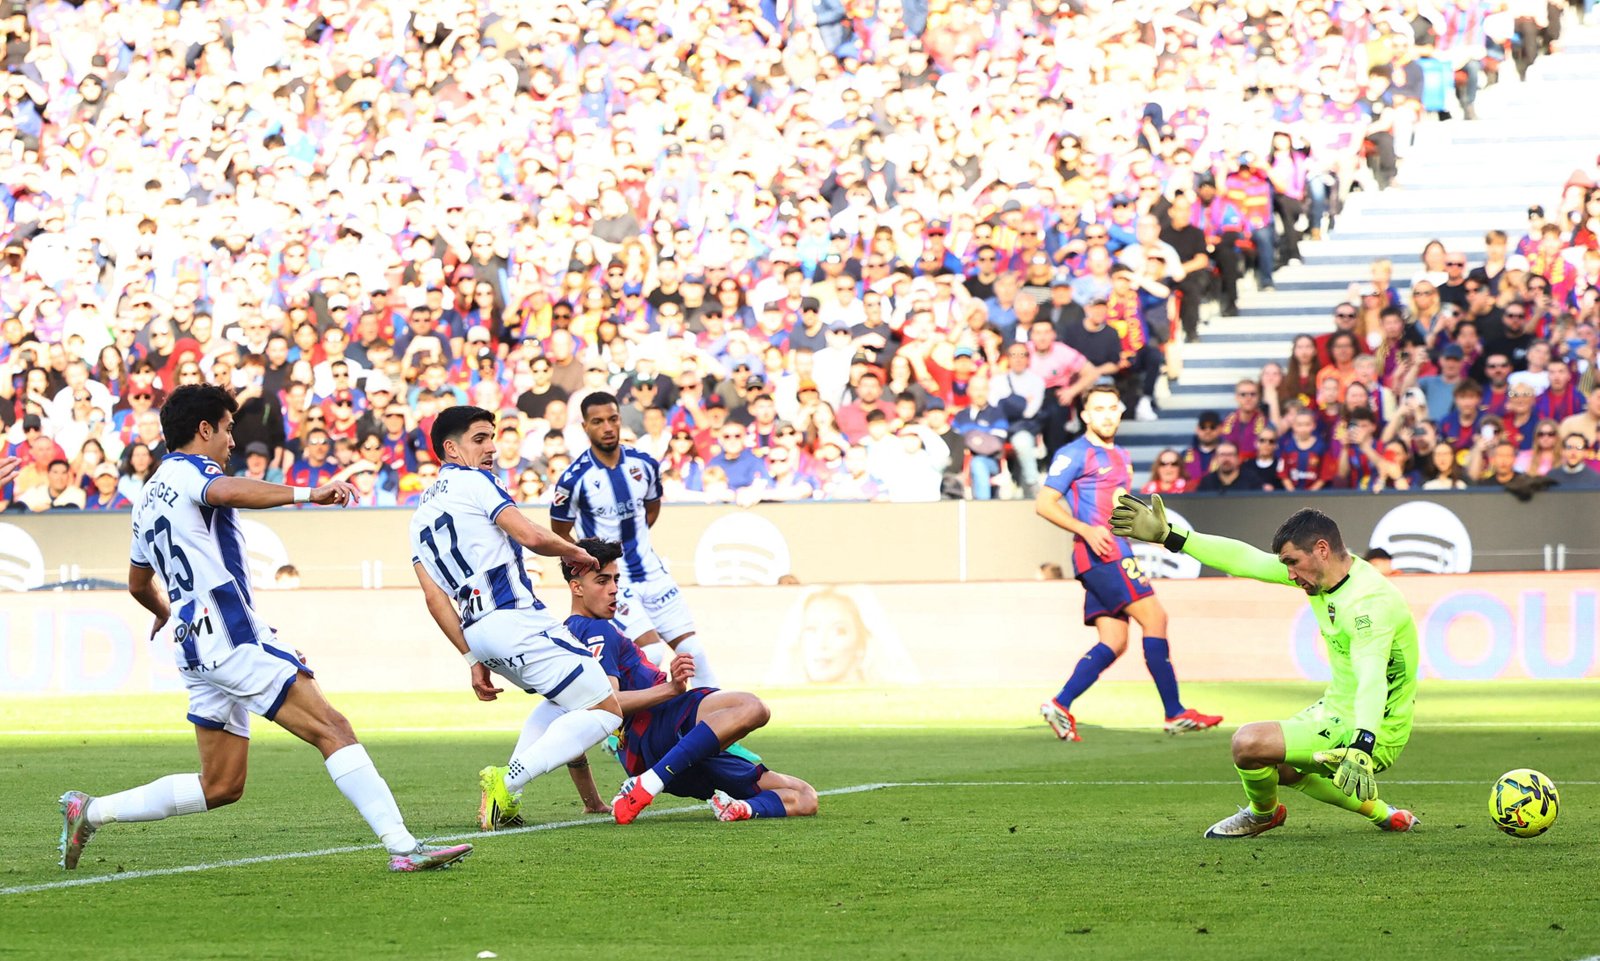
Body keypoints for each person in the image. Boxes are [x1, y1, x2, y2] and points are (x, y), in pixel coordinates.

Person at [59, 385, 471, 873]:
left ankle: (90, 811)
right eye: (228, 429)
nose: (232, 442)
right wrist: (309, 493)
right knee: (332, 728)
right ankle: (404, 848)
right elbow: (224, 491)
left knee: (221, 785)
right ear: (204, 429)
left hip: (192, 646)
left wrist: (164, 610)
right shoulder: (193, 471)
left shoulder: (146, 497)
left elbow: (137, 582)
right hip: (229, 635)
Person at [1110, 498, 1419, 838]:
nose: (1290, 574)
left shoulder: (1368, 605)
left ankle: (1263, 814)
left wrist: (1363, 742)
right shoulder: (1325, 575)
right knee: (1279, 764)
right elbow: (1245, 559)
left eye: (1293, 563)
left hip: (1375, 727)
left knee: (1249, 744)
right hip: (1337, 708)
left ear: (1322, 549)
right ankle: (1385, 814)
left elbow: (1372, 677)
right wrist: (1172, 536)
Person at [409, 404, 623, 832]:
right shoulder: (476, 481)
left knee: (561, 700)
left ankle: (506, 802)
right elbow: (528, 534)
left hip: (477, 630)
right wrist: (575, 551)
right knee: (607, 710)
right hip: (513, 617)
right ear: (451, 449)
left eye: (491, 437)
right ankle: (507, 782)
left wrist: (472, 659)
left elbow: (434, 599)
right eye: (480, 439)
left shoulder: (418, 519)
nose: (491, 447)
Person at [556, 539, 818, 825]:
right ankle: (649, 784)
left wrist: (592, 801)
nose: (614, 589)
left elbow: (570, 722)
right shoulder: (597, 629)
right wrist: (670, 688)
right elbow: (608, 702)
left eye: (616, 579)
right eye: (602, 580)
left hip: (664, 756)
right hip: (661, 726)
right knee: (751, 707)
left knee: (804, 796)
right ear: (577, 587)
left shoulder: (567, 637)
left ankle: (739, 808)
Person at [1034, 386, 1222, 742]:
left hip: (1116, 549)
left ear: (1121, 412)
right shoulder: (1075, 453)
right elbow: (1044, 503)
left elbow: (1116, 507)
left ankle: (1060, 704)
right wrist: (1085, 529)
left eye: (1112, 408)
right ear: (1085, 415)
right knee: (1155, 618)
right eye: (1098, 409)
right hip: (1101, 552)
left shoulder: (1121, 455)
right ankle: (1174, 712)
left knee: (1115, 639)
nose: (1106, 415)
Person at [552, 392, 719, 687]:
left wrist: (633, 541)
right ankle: (633, 714)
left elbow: (651, 510)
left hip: (652, 571)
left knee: (694, 652)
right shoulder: (573, 479)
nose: (607, 427)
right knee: (651, 652)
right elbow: (560, 533)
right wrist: (594, 561)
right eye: (598, 422)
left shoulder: (644, 464)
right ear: (585, 427)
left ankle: (719, 715)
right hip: (615, 578)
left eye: (613, 419)